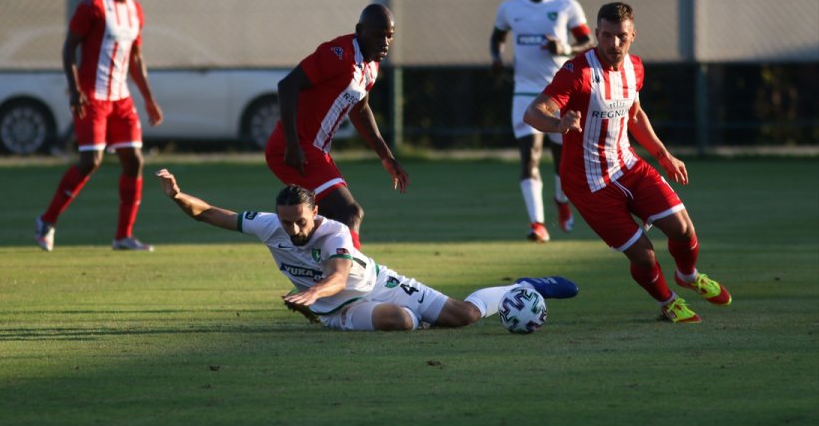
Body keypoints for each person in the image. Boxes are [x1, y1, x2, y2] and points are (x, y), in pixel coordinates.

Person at [156, 168, 579, 331]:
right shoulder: (270, 225)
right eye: (286, 222)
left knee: (463, 316)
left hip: (378, 282)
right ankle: (411, 321)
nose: (293, 229)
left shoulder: (334, 232)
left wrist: (312, 293)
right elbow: (209, 214)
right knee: (401, 321)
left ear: (315, 211)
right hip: (341, 310)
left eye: (300, 220)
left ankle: (522, 288)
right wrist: (178, 196)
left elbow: (338, 275)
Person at [523, 2, 732, 324]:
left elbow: (634, 115)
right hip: (589, 184)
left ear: (633, 35)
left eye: (621, 36)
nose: (614, 43)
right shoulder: (577, 72)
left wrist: (663, 155)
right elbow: (533, 112)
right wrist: (558, 124)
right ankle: (668, 301)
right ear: (597, 34)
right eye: (607, 35)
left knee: (683, 228)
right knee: (644, 255)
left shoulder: (635, 68)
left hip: (628, 166)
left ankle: (688, 275)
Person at [34, 0, 163, 252]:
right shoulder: (92, 6)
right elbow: (69, 48)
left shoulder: (135, 10)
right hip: (93, 97)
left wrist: (149, 99)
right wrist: (75, 88)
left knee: (134, 160)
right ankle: (46, 220)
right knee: (90, 161)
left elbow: (136, 58)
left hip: (121, 99)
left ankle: (123, 236)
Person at [265, 3, 409, 251]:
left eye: (389, 36)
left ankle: (317, 271)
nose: (384, 43)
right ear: (359, 31)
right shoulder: (338, 54)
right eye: (378, 35)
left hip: (314, 150)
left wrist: (386, 156)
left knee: (327, 224)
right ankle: (351, 273)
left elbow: (360, 109)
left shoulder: (371, 66)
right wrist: (293, 144)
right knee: (350, 212)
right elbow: (287, 86)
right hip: (295, 148)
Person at [490, 0, 595, 243]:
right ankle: (537, 224)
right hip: (524, 91)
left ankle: (561, 200)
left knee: (562, 160)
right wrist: (496, 57)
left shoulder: (566, 6)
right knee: (530, 156)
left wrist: (564, 48)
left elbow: (588, 42)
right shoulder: (510, 8)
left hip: (558, 93)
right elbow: (497, 37)